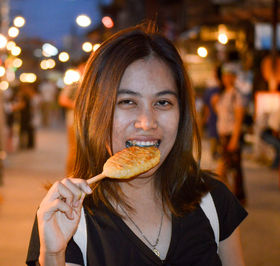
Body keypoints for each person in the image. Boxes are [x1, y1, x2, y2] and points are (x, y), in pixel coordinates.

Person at [26, 23, 247, 265]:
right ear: (95, 111)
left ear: (182, 112)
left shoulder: (213, 200)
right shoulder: (67, 218)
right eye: (127, 101)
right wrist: (54, 255)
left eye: (163, 102)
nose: (146, 122)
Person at [211, 62, 246, 205]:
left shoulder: (236, 94)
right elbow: (222, 115)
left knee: (227, 167)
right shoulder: (224, 94)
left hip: (232, 135)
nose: (227, 79)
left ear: (234, 77)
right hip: (224, 135)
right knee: (230, 168)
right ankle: (233, 197)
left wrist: (235, 138)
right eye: (225, 76)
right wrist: (214, 104)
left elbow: (239, 119)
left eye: (230, 76)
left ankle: (226, 196)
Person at [59, 61, 86, 176]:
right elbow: (62, 100)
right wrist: (79, 106)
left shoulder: (91, 83)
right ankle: (70, 176)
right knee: (74, 150)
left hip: (87, 122)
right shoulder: (74, 84)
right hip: (74, 122)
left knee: (83, 152)